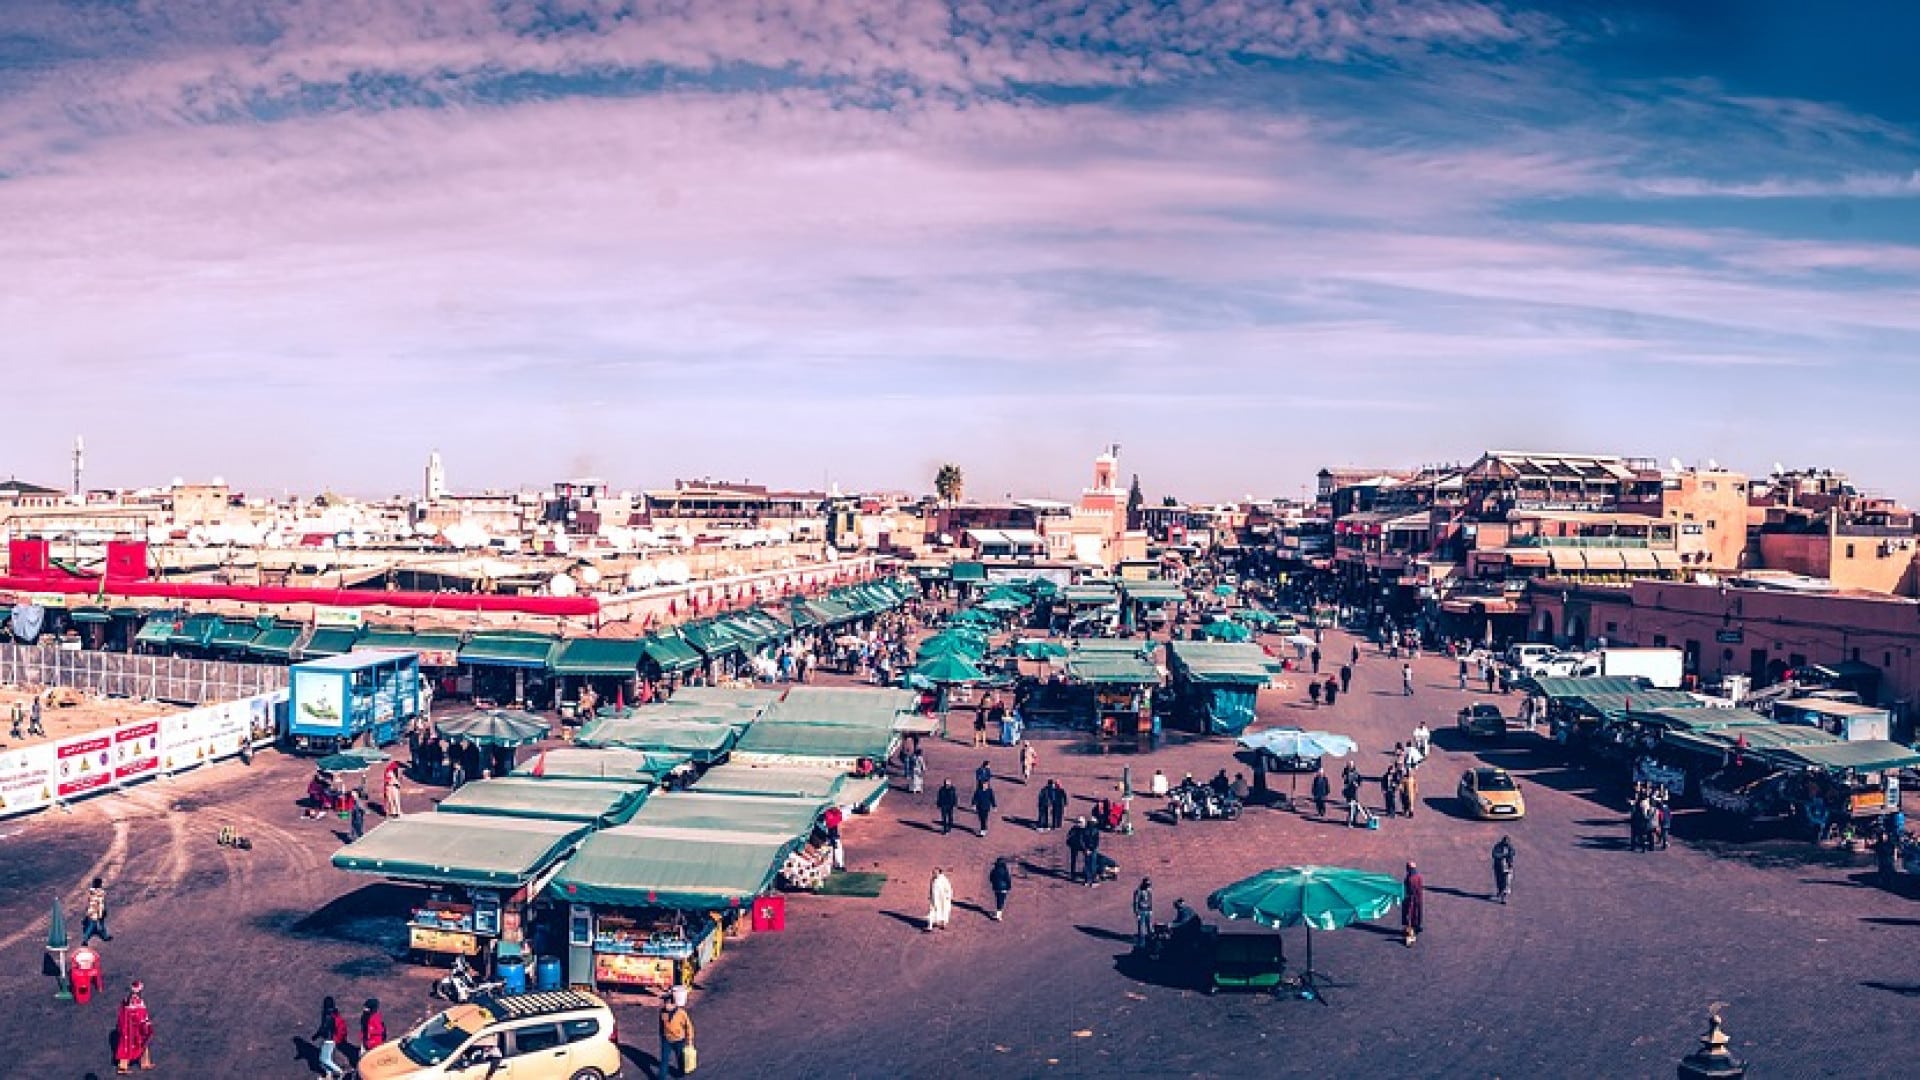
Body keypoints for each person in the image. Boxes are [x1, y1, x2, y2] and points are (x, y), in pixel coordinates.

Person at [114, 980, 154, 1074]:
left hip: (131, 1027)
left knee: (141, 1044)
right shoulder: (135, 1001)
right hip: (134, 1028)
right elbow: (138, 1014)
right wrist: (145, 1022)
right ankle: (123, 1067)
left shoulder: (128, 1000)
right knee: (129, 1045)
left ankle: (145, 1063)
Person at [658, 997, 695, 1079]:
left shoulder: (681, 1013)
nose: (666, 1005)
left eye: (668, 1003)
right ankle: (661, 1077)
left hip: (679, 1041)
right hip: (666, 1040)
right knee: (664, 1060)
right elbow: (661, 1025)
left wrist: (689, 1040)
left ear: (673, 1004)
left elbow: (689, 1026)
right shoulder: (662, 1012)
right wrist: (661, 1035)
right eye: (665, 1003)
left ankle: (681, 1073)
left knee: (680, 1058)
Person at [314, 996, 348, 1079]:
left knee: (324, 1059)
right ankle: (328, 1075)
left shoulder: (327, 1015)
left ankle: (340, 1072)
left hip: (328, 1040)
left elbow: (324, 1028)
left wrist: (316, 1035)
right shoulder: (334, 1013)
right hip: (332, 1039)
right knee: (326, 1058)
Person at [82, 877, 113, 945]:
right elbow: (101, 903)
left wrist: (87, 912)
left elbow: (88, 902)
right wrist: (103, 910)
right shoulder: (101, 892)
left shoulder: (91, 892)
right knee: (95, 925)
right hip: (98, 911)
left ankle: (105, 936)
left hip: (91, 911)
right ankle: (85, 939)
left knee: (93, 925)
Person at [1402, 862, 1424, 947]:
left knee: (1410, 916)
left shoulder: (1410, 878)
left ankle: (1410, 935)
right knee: (1415, 914)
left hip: (1411, 900)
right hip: (1417, 899)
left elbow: (1409, 890)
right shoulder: (1418, 877)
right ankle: (1414, 929)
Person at [926, 867, 953, 931]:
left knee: (944, 911)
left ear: (939, 872)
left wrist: (948, 896)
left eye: (935, 872)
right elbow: (931, 888)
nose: (934, 874)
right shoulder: (932, 879)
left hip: (943, 899)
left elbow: (949, 888)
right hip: (934, 899)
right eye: (933, 872)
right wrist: (930, 895)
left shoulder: (944, 879)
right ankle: (930, 926)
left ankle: (944, 924)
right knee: (932, 911)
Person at [1491, 836, 1515, 903]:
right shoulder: (1497, 846)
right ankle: (1500, 891)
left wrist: (1510, 862)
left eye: (1507, 843)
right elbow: (1494, 854)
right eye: (1505, 843)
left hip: (1507, 867)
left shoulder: (1510, 847)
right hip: (1498, 866)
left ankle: (1504, 897)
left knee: (1506, 882)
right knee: (1499, 881)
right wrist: (1504, 855)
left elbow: (1513, 853)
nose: (1506, 844)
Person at [1081, 817, 1104, 886]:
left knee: (1088, 864)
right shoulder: (1095, 831)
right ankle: (1093, 880)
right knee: (1092, 865)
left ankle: (1088, 880)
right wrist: (1091, 849)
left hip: (1088, 850)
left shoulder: (1085, 830)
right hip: (1092, 850)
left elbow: (1082, 841)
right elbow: (1096, 842)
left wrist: (1086, 849)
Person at [1132, 877, 1154, 947]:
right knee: (1141, 928)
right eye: (1147, 885)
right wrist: (1136, 912)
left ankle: (1151, 940)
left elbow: (1150, 900)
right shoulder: (1138, 891)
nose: (1148, 886)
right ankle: (1142, 943)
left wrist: (1150, 909)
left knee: (1150, 927)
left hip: (1147, 910)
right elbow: (1135, 902)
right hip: (1141, 911)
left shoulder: (1149, 890)